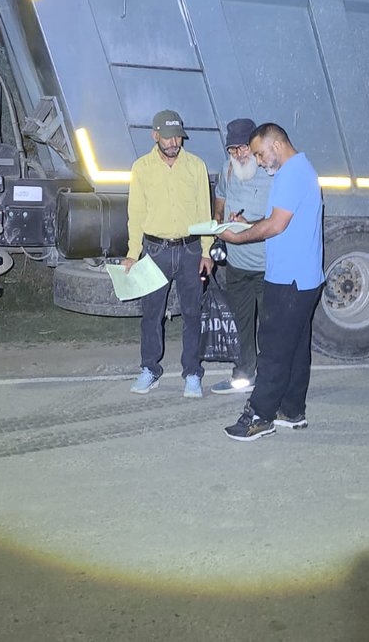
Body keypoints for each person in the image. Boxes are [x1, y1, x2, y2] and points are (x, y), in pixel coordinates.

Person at [217, 123, 323, 440]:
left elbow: (276, 225)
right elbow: (281, 218)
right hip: (303, 278)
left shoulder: (291, 173)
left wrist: (238, 238)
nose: (260, 161)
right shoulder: (299, 169)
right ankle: (292, 411)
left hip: (288, 279)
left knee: (274, 350)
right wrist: (248, 224)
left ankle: (259, 416)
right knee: (295, 347)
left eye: (261, 154)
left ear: (276, 145)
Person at [123, 109, 214, 398]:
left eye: (178, 137)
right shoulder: (141, 167)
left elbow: (205, 212)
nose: (174, 142)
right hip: (154, 251)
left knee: (192, 313)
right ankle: (150, 368)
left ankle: (192, 373)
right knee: (151, 314)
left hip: (189, 251)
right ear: (155, 136)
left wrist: (207, 250)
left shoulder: (196, 166)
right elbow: (135, 213)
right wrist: (132, 253)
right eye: (168, 137)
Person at [209, 118, 274, 395]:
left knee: (270, 326)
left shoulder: (271, 173)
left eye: (243, 148)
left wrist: (248, 223)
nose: (238, 155)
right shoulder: (228, 170)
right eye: (232, 149)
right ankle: (243, 375)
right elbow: (221, 196)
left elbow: (278, 219)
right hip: (236, 265)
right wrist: (218, 219)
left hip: (267, 266)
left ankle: (271, 380)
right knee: (241, 323)